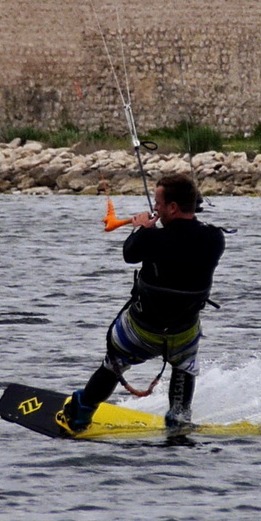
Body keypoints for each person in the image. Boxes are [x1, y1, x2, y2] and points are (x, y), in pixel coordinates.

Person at [57, 174, 225, 436]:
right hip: (183, 333)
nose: (154, 208)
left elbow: (130, 253)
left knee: (114, 362)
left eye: (158, 203)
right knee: (184, 364)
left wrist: (142, 228)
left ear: (172, 207)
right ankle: (179, 418)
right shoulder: (215, 238)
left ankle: (81, 412)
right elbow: (188, 233)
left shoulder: (153, 239)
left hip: (141, 332)